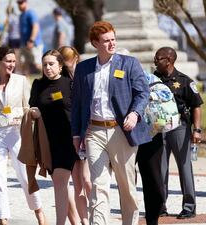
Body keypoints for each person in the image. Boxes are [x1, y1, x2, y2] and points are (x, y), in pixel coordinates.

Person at [71, 21, 151, 225]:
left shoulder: (129, 63)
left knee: (127, 187)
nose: (111, 44)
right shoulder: (83, 69)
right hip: (93, 132)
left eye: (113, 39)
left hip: (121, 132)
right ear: (95, 43)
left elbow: (143, 93)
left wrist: (135, 114)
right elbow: (78, 104)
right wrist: (76, 135)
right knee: (98, 185)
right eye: (106, 41)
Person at [0, 46, 47, 225]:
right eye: (8, 61)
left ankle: (39, 211)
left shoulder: (21, 81)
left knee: (25, 175)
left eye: (13, 61)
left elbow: (28, 105)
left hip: (17, 132)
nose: (11, 65)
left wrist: (34, 114)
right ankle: (3, 218)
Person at [29, 49, 78, 225]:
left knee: (60, 183)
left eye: (51, 64)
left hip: (69, 140)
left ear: (60, 65)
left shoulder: (70, 83)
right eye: (45, 65)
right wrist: (32, 113)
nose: (48, 68)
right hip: (47, 142)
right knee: (62, 186)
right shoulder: (37, 85)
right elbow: (33, 107)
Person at [154, 47, 203, 219]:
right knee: (160, 168)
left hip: (179, 128)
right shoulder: (153, 79)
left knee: (184, 167)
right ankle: (160, 206)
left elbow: (196, 105)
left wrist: (196, 130)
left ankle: (189, 207)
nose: (155, 60)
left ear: (169, 60)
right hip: (158, 130)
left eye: (158, 58)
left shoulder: (184, 81)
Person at [58, 46, 91, 225]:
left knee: (87, 180)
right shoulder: (62, 79)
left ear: (76, 57)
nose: (67, 64)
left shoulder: (85, 72)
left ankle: (97, 214)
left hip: (85, 131)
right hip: (69, 135)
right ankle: (84, 222)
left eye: (68, 59)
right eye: (63, 61)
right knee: (77, 183)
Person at [136, 72, 174, 225]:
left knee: (154, 180)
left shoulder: (146, 76)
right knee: (126, 180)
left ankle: (153, 217)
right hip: (123, 134)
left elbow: (166, 93)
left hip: (150, 133)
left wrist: (147, 96)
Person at [17, 0, 43, 74]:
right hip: (24, 44)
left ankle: (50, 80)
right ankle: (26, 84)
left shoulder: (31, 13)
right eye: (18, 3)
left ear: (26, 2)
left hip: (34, 44)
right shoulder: (21, 16)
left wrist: (32, 40)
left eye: (21, 2)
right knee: (24, 64)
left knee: (37, 65)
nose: (19, 5)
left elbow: (36, 26)